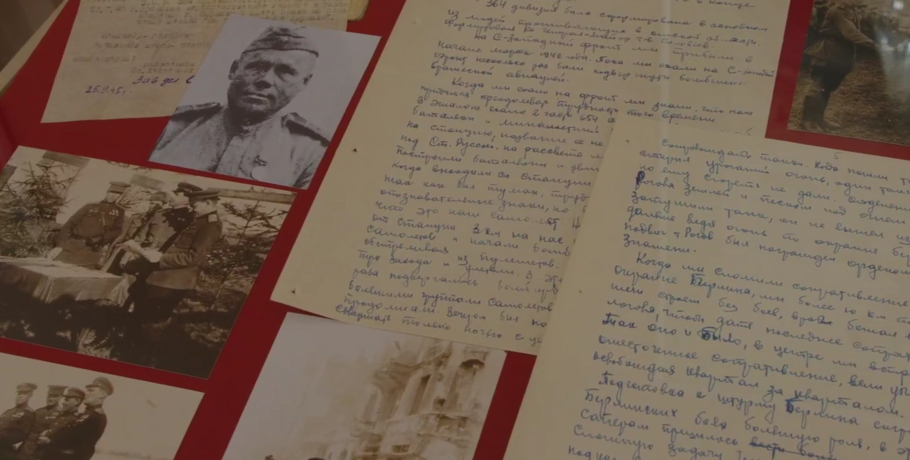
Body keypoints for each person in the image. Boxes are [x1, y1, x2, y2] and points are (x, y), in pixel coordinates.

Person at [149, 25, 330, 189]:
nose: (265, 79)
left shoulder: (313, 153)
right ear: (234, 69)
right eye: (256, 66)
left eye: (285, 72)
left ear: (304, 82)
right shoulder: (170, 126)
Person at [121, 189, 223, 365]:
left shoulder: (210, 225)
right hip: (163, 277)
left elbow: (194, 257)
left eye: (195, 205)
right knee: (144, 316)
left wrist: (162, 258)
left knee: (154, 322)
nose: (193, 209)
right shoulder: (199, 220)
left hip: (174, 282)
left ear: (208, 203)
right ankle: (131, 352)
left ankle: (142, 360)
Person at [801, 0, 877, 132]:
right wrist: (874, 45)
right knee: (818, 86)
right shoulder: (838, 11)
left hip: (839, 54)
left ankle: (819, 119)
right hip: (828, 52)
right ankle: (807, 120)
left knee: (827, 87)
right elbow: (850, 33)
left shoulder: (850, 10)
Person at [47, 182, 127, 268]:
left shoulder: (119, 211)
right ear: (107, 192)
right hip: (71, 248)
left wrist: (103, 238)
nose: (113, 195)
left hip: (90, 253)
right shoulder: (90, 206)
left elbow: (117, 230)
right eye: (111, 192)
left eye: (117, 194)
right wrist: (59, 246)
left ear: (120, 196)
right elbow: (68, 226)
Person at [40, 378, 110, 460]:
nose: (86, 393)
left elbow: (75, 441)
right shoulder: (85, 414)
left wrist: (50, 442)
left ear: (102, 394)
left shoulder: (96, 416)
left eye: (91, 391)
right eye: (87, 390)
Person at [33, 388, 83, 460]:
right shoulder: (61, 416)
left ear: (77, 401)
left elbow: (70, 445)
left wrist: (49, 442)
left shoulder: (76, 420)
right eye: (64, 399)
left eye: (67, 400)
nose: (63, 402)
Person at [18, 385, 65, 460]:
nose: (50, 399)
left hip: (42, 451)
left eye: (55, 396)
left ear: (60, 397)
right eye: (49, 396)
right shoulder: (38, 411)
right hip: (27, 449)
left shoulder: (61, 414)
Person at [0, 383, 36, 460]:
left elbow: (22, 434)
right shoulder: (8, 412)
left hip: (9, 450)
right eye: (19, 393)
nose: (20, 396)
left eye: (24, 394)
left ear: (30, 395)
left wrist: (2, 438)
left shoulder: (28, 413)